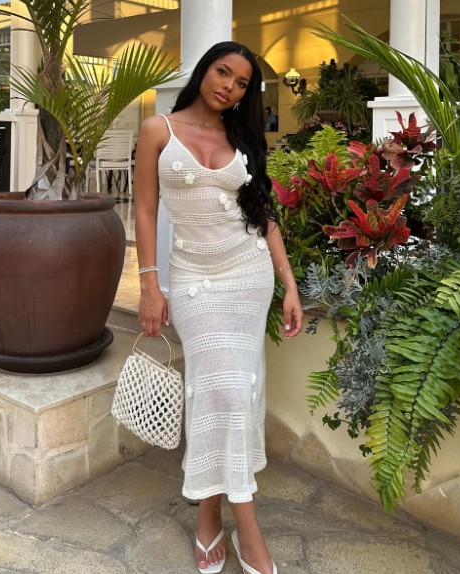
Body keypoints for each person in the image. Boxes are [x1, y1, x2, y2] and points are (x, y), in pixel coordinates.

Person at [134, 41, 303, 574]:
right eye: (221, 71)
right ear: (205, 70)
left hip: (247, 276)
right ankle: (249, 532)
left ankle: (210, 521)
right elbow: (143, 211)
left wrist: (289, 284)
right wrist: (148, 285)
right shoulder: (157, 130)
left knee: (235, 392)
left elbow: (263, 215)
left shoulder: (242, 139)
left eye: (240, 82)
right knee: (222, 390)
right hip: (194, 283)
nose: (227, 85)